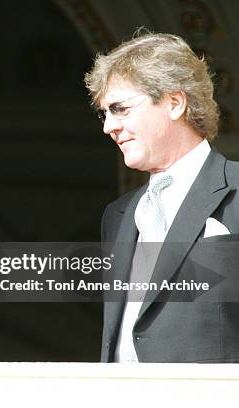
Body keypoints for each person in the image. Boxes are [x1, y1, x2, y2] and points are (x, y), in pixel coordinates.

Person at [85, 31, 239, 363]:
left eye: (121, 109)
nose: (108, 126)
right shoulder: (118, 215)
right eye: (105, 114)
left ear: (174, 102)